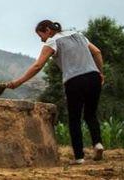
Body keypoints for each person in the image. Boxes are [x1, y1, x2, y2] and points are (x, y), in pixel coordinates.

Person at [7, 20, 105, 165]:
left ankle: (79, 157)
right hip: (93, 77)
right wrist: (100, 73)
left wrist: (18, 82)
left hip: (74, 81)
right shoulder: (78, 35)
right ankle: (98, 144)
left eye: (41, 36)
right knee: (90, 113)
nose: (42, 40)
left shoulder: (52, 42)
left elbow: (38, 65)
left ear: (47, 30)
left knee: (74, 119)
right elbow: (97, 52)